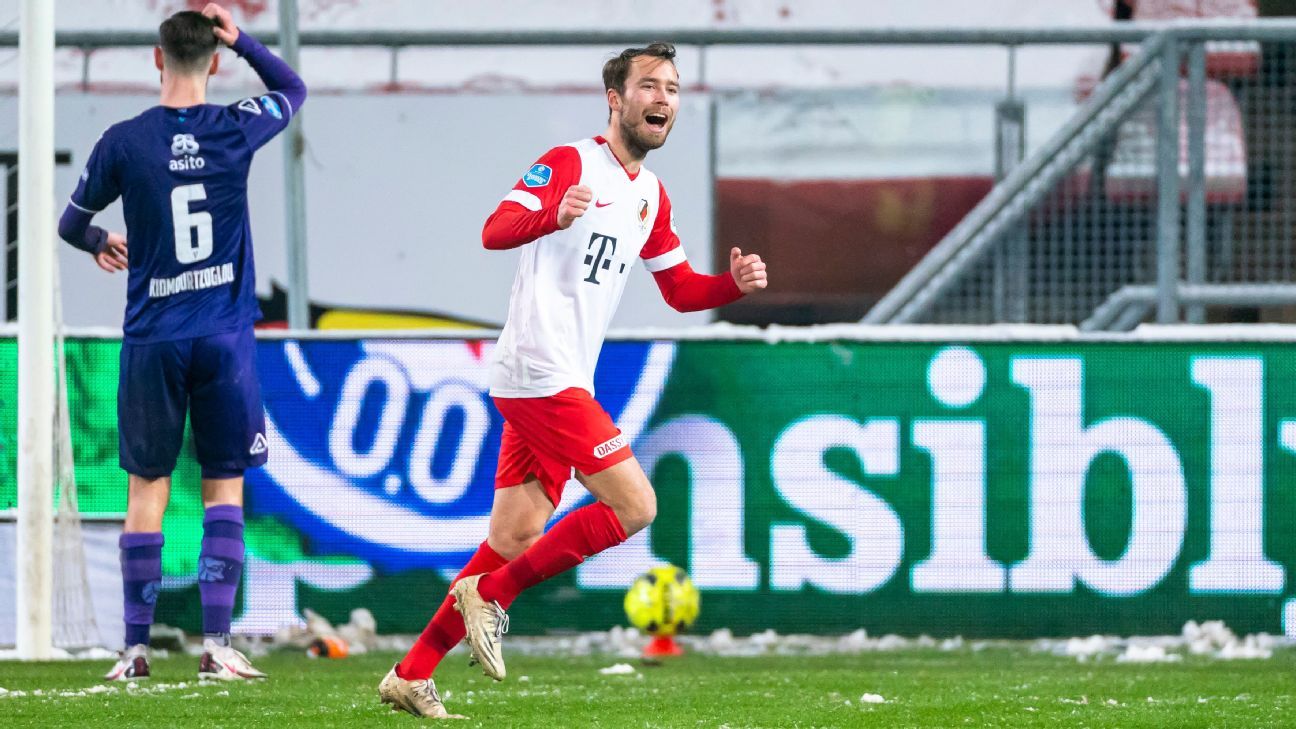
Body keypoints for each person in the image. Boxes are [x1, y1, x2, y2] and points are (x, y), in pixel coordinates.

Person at [380, 42, 768, 718]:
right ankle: (494, 596)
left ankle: (412, 672)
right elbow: (494, 229)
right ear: (615, 99)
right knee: (636, 506)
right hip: (539, 369)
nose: (663, 99)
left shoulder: (649, 193)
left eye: (673, 88)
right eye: (649, 85)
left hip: (559, 375)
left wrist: (730, 288)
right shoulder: (569, 162)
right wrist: (550, 215)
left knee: (512, 535)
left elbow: (678, 289)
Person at [56, 3, 306, 682]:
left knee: (148, 489)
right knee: (225, 488)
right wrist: (245, 36)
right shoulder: (233, 128)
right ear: (216, 61)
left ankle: (135, 651)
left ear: (156, 59)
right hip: (223, 338)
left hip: (153, 340)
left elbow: (70, 223)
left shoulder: (124, 141)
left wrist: (102, 241)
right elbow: (293, 89)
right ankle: (217, 645)